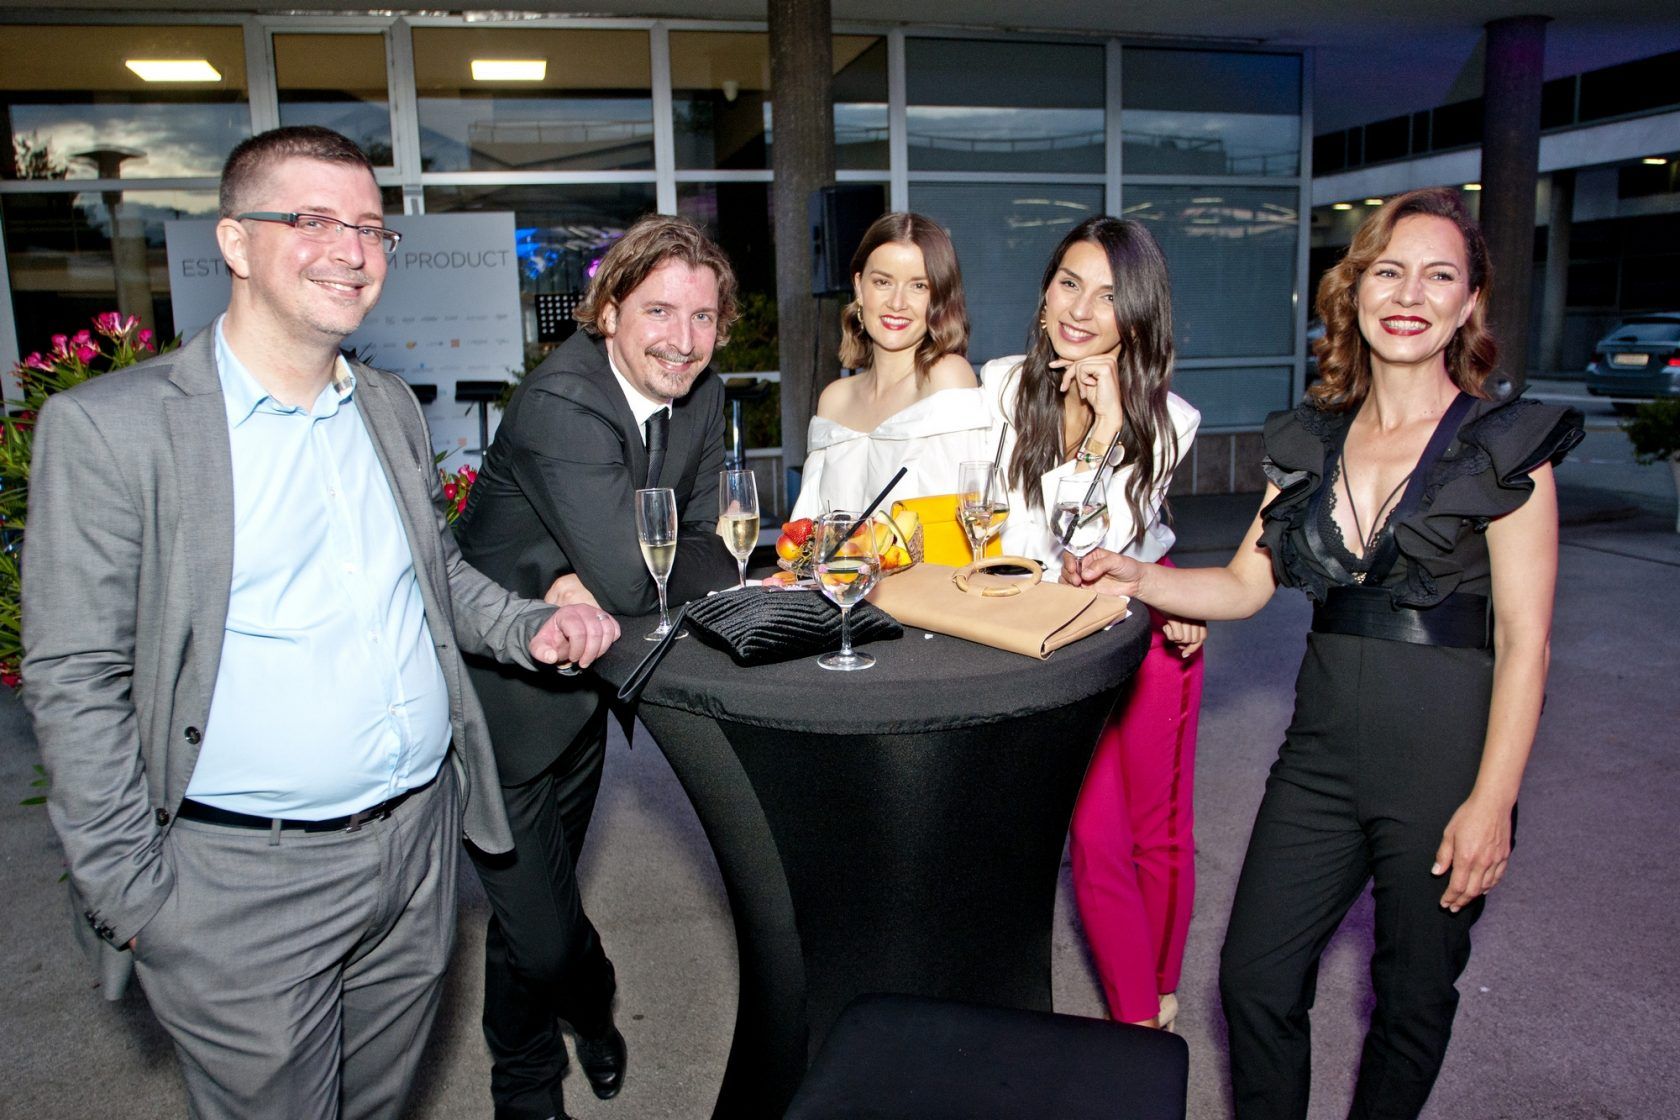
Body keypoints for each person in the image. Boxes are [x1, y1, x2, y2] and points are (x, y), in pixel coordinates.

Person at [19, 125, 618, 1120]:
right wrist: (134, 898)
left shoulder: (386, 405)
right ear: (234, 241)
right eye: (312, 219)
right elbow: (76, 676)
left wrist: (527, 628)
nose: (352, 249)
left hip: (415, 853)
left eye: (372, 228)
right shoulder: (113, 429)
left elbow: (433, 575)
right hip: (239, 886)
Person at [1066, 188, 1583, 1119]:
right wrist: (1134, 575)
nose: (1409, 294)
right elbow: (1242, 586)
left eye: (1438, 276)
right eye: (1389, 271)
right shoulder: (1312, 439)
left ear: (1469, 302)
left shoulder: (1505, 448)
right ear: (1355, 289)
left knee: (1413, 997)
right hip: (1320, 755)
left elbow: (1526, 643)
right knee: (1254, 980)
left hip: (1445, 761)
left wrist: (1492, 803)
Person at [452, 213, 739, 1120]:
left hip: (584, 694)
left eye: (702, 317)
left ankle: (525, 1091)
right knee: (542, 938)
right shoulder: (563, 402)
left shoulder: (702, 394)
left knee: (528, 921)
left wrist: (620, 571)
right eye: (659, 311)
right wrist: (609, 572)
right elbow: (630, 576)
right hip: (501, 705)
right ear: (609, 310)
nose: (682, 340)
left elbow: (716, 552)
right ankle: (590, 996)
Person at [977, 215, 1205, 1029]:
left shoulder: (1171, 419)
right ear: (1044, 294)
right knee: (1096, 834)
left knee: (1158, 829)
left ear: (1136, 315)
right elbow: (1029, 548)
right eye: (1069, 283)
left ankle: (1158, 991)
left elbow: (1093, 552)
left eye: (1109, 296)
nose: (1081, 309)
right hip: (1051, 637)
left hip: (1141, 625)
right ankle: (1138, 1017)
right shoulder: (1001, 387)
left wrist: (1111, 429)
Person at [791, 211, 988, 518]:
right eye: (883, 282)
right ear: (859, 287)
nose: (897, 303)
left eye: (919, 286)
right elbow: (811, 527)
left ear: (938, 297)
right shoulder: (834, 399)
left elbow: (968, 519)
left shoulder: (946, 378)